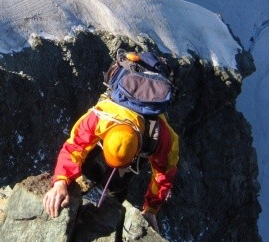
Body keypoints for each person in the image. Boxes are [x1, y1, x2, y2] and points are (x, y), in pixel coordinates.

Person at [42, 94, 179, 233]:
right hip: (114, 118)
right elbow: (74, 147)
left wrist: (151, 209)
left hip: (142, 131)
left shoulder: (162, 138)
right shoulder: (99, 117)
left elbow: (164, 174)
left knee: (117, 183)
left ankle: (111, 190)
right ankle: (93, 179)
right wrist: (60, 181)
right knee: (84, 162)